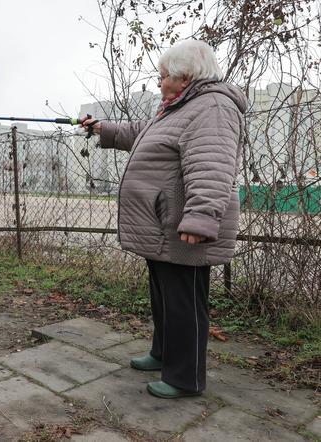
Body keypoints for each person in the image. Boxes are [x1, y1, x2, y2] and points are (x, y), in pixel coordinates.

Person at [81, 39, 247, 399]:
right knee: (165, 296)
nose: (159, 82)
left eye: (164, 76)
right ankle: (162, 354)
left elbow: (213, 164)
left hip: (182, 226)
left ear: (186, 76)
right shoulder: (177, 108)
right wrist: (100, 128)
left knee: (184, 301)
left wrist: (201, 217)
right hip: (162, 225)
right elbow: (139, 133)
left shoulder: (213, 107)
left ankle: (186, 378)